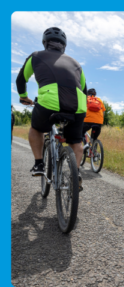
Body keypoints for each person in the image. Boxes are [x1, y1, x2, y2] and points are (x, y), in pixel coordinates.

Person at [16, 27, 87, 191]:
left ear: (45, 43)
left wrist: (23, 96)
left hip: (49, 102)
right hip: (78, 105)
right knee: (76, 141)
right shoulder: (76, 63)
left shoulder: (35, 56)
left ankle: (39, 164)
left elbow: (21, 79)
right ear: (64, 45)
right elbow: (84, 89)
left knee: (36, 128)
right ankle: (75, 174)